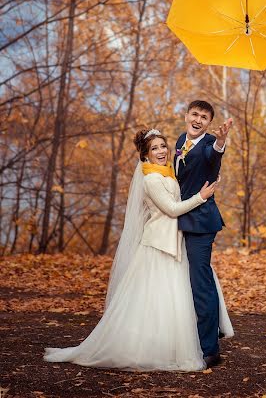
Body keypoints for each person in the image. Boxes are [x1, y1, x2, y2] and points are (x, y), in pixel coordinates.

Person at [44, 129, 233, 372]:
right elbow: (172, 209)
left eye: (163, 146)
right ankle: (147, 346)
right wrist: (201, 197)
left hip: (174, 241)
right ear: (145, 154)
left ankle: (173, 343)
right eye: (154, 148)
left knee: (174, 298)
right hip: (158, 244)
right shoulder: (150, 179)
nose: (161, 151)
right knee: (155, 299)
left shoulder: (165, 172)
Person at [175, 100, 233, 368]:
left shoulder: (211, 143)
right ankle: (192, 334)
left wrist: (221, 142)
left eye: (204, 117)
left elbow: (213, 157)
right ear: (186, 115)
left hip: (200, 222)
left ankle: (210, 349)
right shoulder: (179, 141)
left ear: (210, 123)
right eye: (195, 114)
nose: (198, 120)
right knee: (183, 282)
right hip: (177, 218)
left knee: (201, 285)